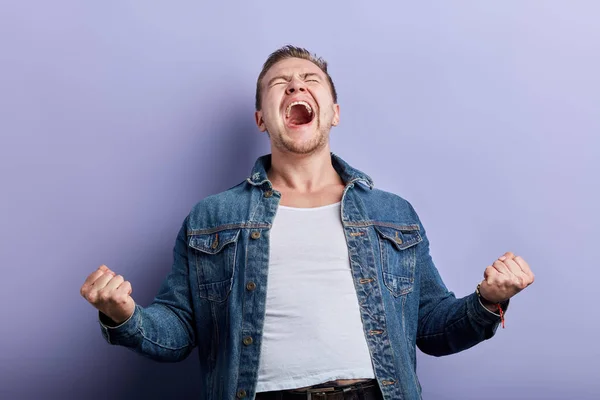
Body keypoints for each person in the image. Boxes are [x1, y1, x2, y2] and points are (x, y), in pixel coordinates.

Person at [80, 45, 535, 400]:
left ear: (334, 111)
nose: (296, 87)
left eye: (309, 80)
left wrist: (487, 301)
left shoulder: (392, 214)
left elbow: (433, 329)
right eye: (281, 83)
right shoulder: (212, 218)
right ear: (262, 118)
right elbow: (179, 332)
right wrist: (124, 316)